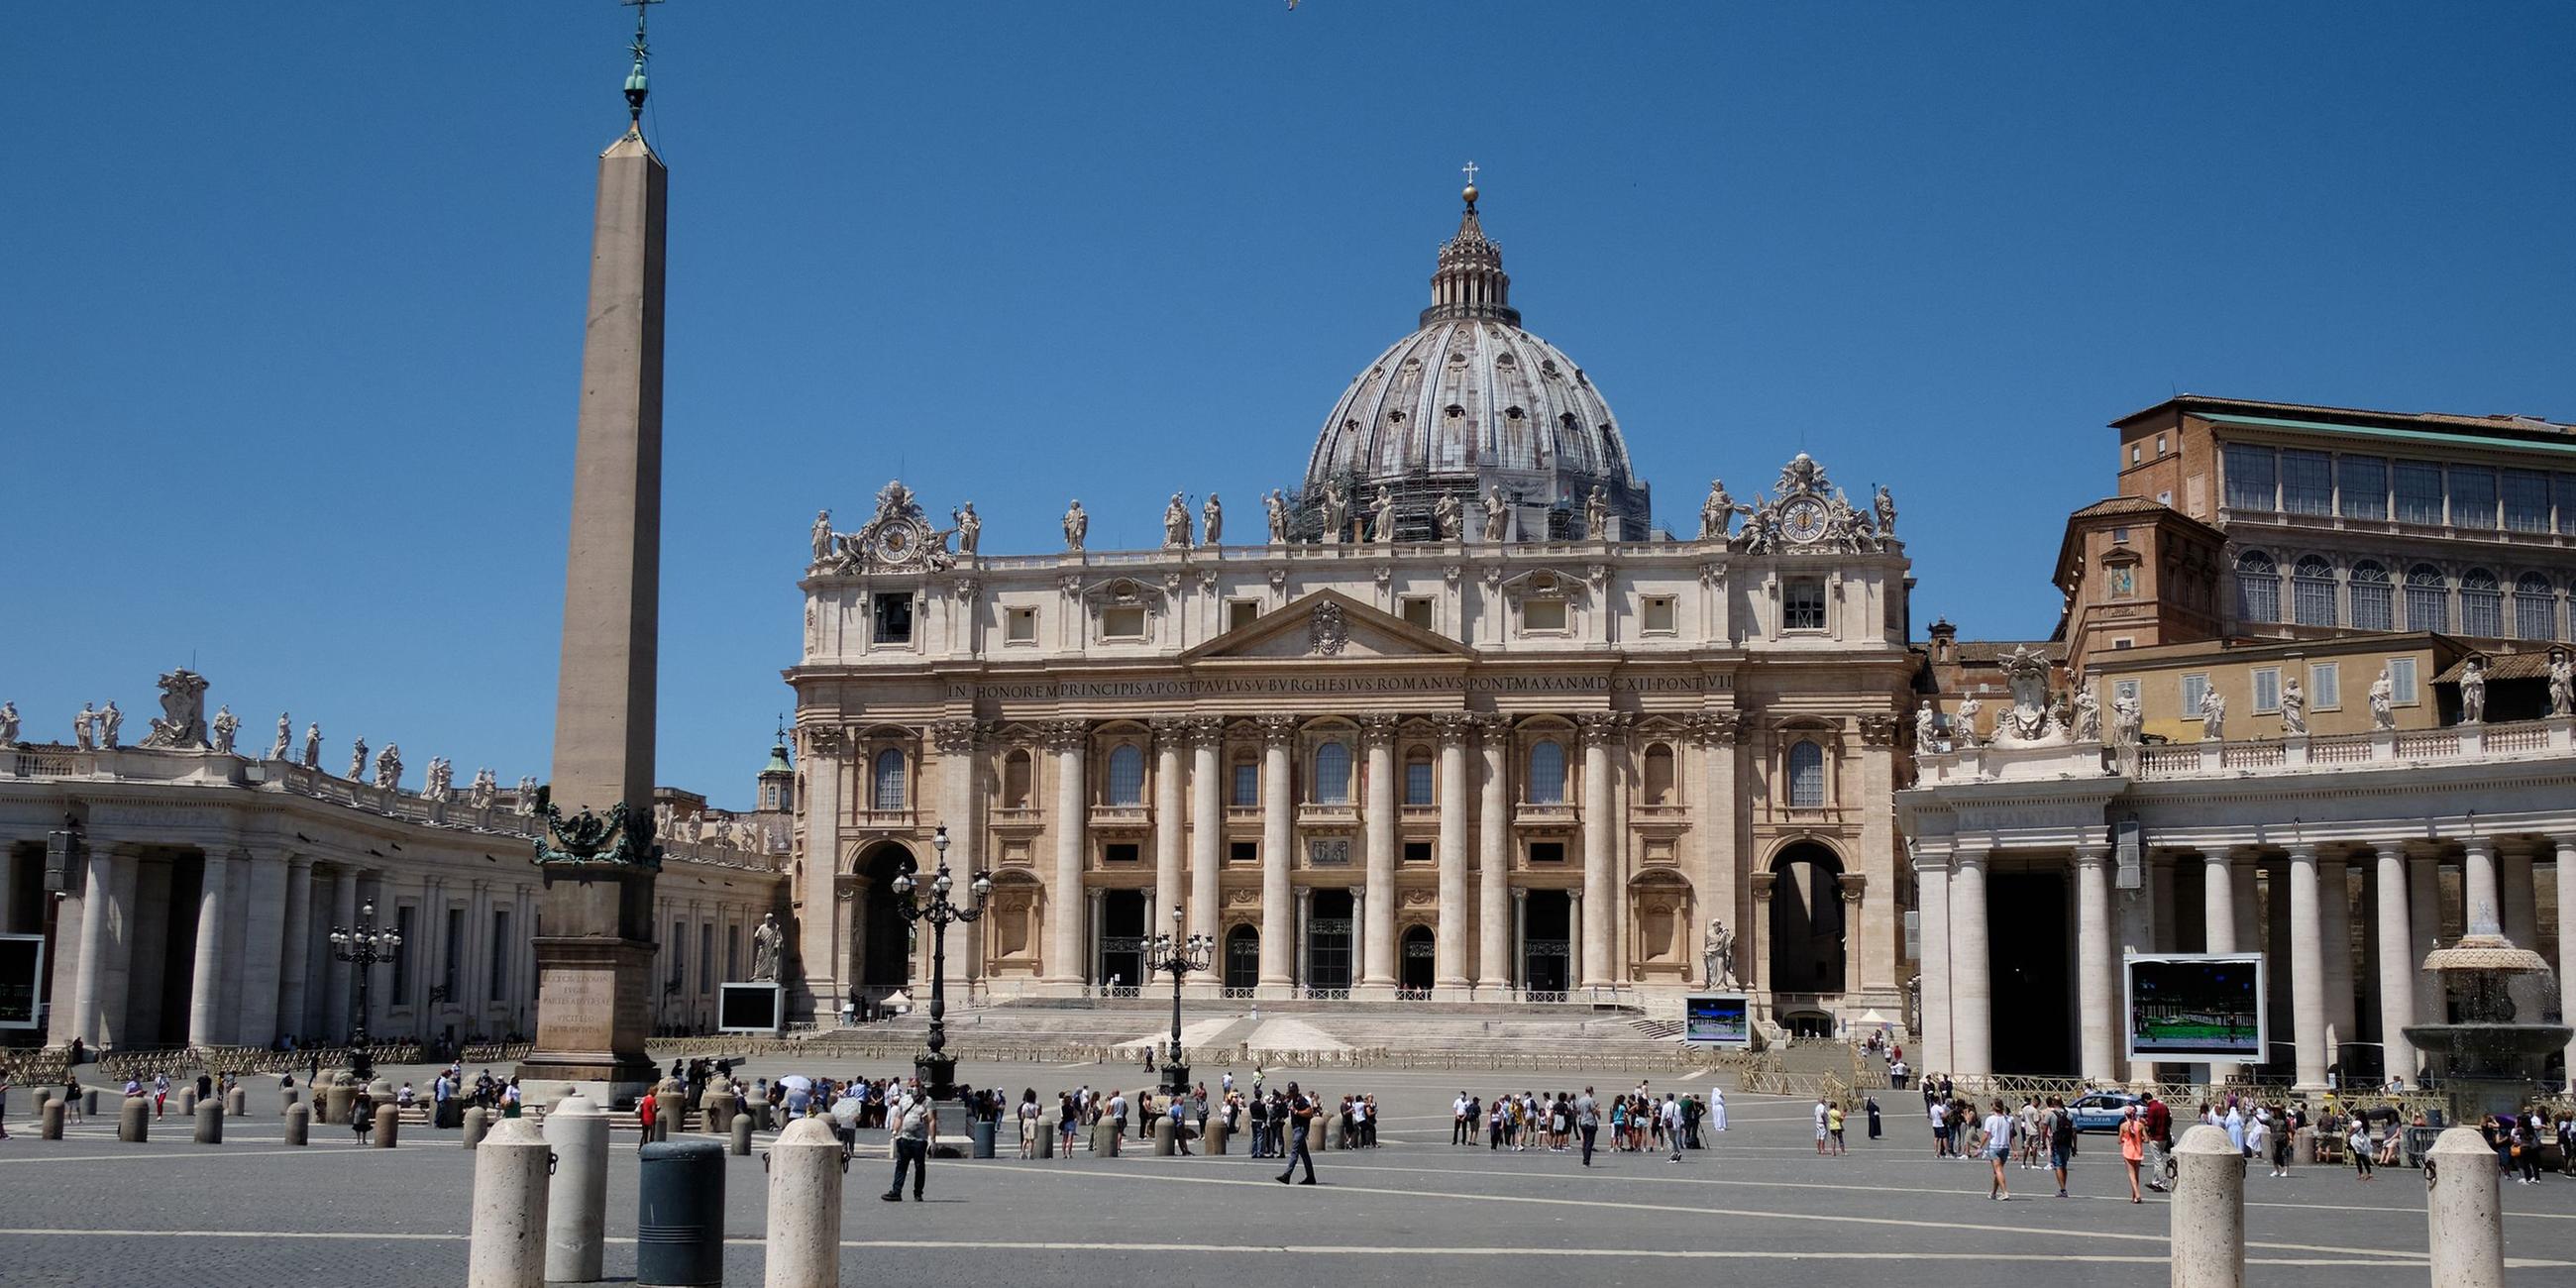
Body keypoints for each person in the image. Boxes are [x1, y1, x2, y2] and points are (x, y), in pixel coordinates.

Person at [883, 1091, 934, 1202]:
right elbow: (899, 1117)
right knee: (901, 1165)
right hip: (904, 1138)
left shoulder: (928, 1101)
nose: (914, 1088)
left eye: (916, 1085)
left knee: (919, 1167)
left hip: (920, 1140)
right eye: (912, 1086)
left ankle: (918, 1193)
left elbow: (932, 1120)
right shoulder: (904, 1099)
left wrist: (932, 1139)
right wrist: (895, 1132)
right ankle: (896, 1191)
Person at [1276, 1084, 1318, 1185]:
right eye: (1290, 1091)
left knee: (1294, 1152)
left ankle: (1287, 1175)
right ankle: (1311, 1177)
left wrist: (1297, 1112)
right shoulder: (1294, 1100)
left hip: (1301, 1129)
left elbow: (1309, 1112)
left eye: (1293, 1091)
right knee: (1304, 1155)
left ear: (1297, 1090)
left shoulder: (1301, 1100)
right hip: (1297, 1128)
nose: (1291, 1092)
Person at [1982, 1100, 2014, 1200]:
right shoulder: (2008, 1119)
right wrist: (2015, 1149)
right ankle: (1994, 1193)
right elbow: (2011, 1136)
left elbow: (1986, 1134)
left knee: (1998, 1170)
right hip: (2005, 1147)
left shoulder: (1990, 1119)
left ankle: (2005, 1192)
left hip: (1995, 1147)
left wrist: (1980, 1146)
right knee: (1998, 1171)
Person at [2047, 1096, 2076, 1197]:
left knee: (2058, 1166)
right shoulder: (2069, 1115)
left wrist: (2043, 1142)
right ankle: (2063, 1187)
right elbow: (2074, 1132)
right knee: (2064, 1166)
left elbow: (2043, 1127)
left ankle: (2063, 1189)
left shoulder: (2051, 1114)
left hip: (2056, 1143)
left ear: (2054, 1103)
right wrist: (2074, 1146)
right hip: (2067, 1143)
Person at [2118, 1105, 2147, 1203]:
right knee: (2136, 1174)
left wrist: (2124, 1139)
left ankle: (2137, 1194)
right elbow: (2146, 1139)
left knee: (2131, 1174)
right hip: (2138, 1150)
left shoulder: (2123, 1126)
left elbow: (2119, 1140)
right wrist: (2140, 1138)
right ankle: (2134, 1196)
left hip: (2128, 1150)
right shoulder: (2140, 1125)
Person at [1575, 1087, 1600, 1166]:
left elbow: (1578, 1111)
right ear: (1591, 1092)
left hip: (1583, 1122)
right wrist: (1598, 1113)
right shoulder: (1590, 1100)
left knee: (1585, 1142)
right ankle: (1586, 1161)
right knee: (1589, 1142)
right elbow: (1593, 1110)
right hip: (1590, 1122)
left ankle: (1585, 1158)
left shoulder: (1580, 1100)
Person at [2348, 1117, 2376, 1183]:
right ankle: (2369, 1173)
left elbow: (2350, 1130)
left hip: (2355, 1142)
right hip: (2363, 1142)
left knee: (2358, 1159)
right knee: (2364, 1158)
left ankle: (2361, 1174)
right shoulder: (2365, 1124)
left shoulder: (2357, 1122)